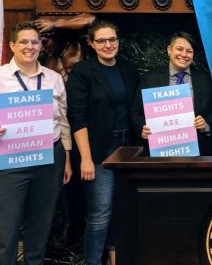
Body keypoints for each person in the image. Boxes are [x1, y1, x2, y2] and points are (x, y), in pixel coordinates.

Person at [0, 21, 72, 265]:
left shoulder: (54, 79)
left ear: (41, 47)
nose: (30, 47)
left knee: (41, 224)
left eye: (35, 42)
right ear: (12, 45)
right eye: (24, 41)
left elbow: (63, 120)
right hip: (6, 161)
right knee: (4, 229)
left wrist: (66, 158)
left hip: (49, 160)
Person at [65, 20, 139, 265]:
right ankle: (93, 261)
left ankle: (116, 258)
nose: (108, 45)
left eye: (113, 40)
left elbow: (136, 109)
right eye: (102, 41)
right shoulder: (82, 72)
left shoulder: (128, 69)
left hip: (128, 147)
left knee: (122, 209)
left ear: (118, 41)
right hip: (98, 149)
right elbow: (77, 117)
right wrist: (86, 158)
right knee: (100, 212)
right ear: (91, 43)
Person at [132, 31, 212, 156]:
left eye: (189, 51)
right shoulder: (150, 79)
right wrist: (142, 128)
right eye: (179, 49)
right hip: (160, 154)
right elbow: (135, 113)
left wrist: (206, 125)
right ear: (169, 50)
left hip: (198, 154)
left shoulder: (204, 79)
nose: (184, 54)